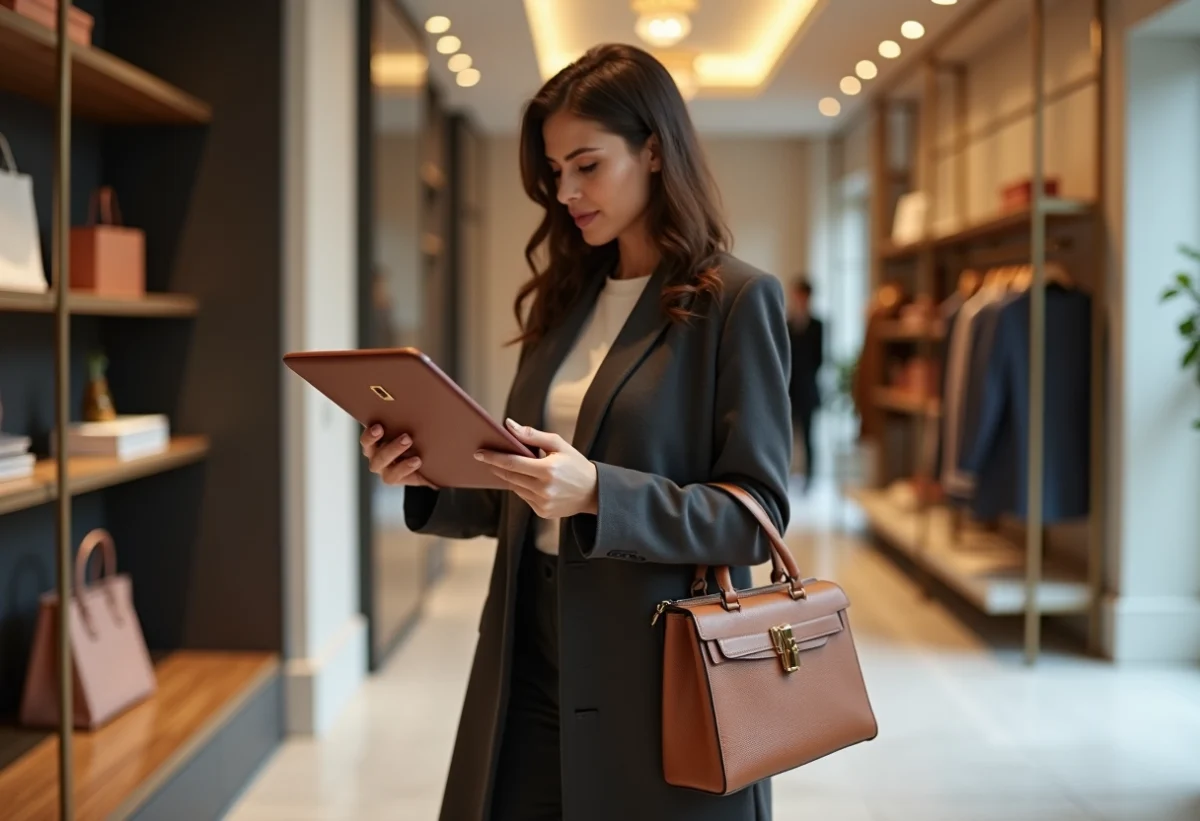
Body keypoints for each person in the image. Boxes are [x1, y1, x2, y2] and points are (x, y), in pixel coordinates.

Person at [360, 43, 790, 821]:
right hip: (528, 643)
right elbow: (519, 486)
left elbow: (756, 515)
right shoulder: (565, 299)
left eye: (587, 165)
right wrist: (428, 473)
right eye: (556, 172)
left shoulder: (735, 300)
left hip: (661, 662)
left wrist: (599, 492)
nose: (566, 192)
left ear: (654, 150)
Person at [787, 276, 824, 492]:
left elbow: (820, 358)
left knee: (809, 437)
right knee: (788, 437)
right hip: (789, 390)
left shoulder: (817, 325)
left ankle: (811, 478)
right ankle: (787, 475)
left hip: (808, 389)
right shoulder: (787, 323)